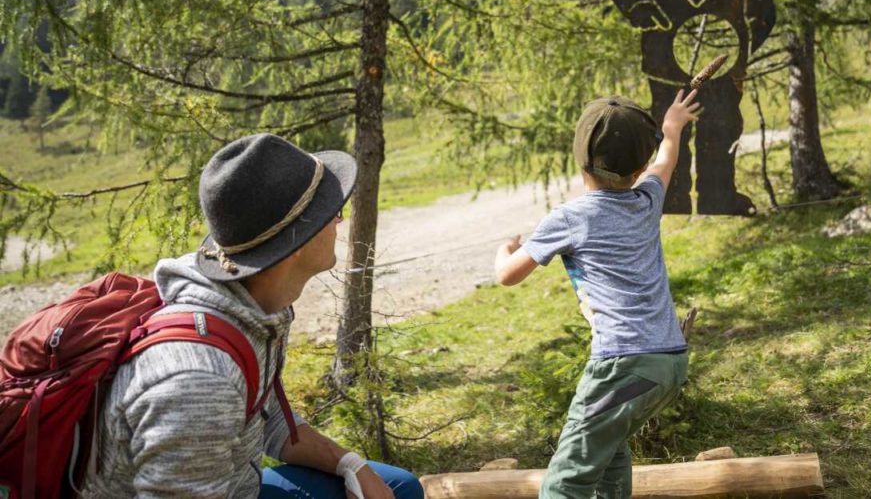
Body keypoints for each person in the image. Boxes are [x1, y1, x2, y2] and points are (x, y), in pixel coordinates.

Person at [79, 133, 423, 499]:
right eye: (331, 212)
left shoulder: (257, 303)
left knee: (397, 488)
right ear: (296, 241)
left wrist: (350, 464)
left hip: (233, 484)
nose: (339, 221)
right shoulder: (199, 382)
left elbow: (265, 416)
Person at [493, 90, 700, 499]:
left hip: (622, 368)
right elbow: (667, 160)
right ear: (639, 167)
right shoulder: (647, 199)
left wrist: (505, 250)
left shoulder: (570, 218)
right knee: (608, 451)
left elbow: (507, 277)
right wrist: (672, 125)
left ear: (579, 156)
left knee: (564, 482)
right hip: (669, 363)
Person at [601, 0, 776, 216]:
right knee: (670, 134)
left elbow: (764, 16)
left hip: (721, 76)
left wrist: (741, 46)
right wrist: (641, 8)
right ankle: (670, 197)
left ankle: (719, 197)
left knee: (720, 132)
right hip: (667, 74)